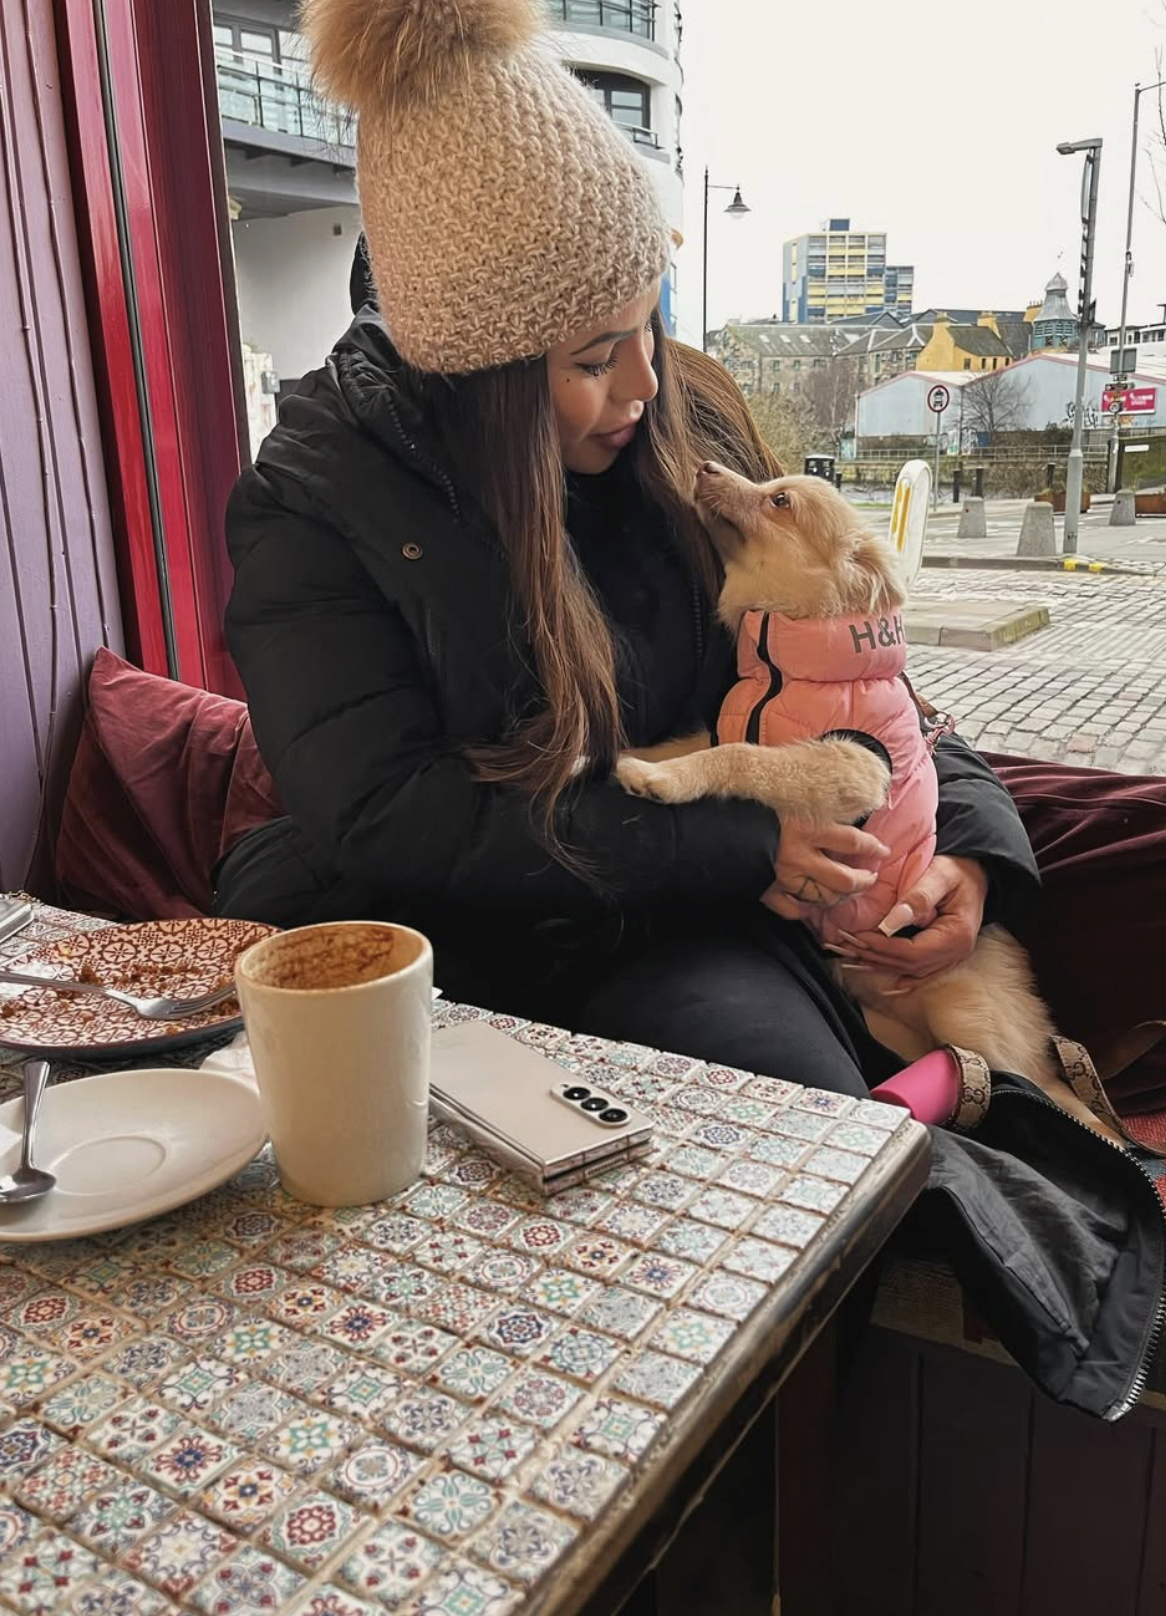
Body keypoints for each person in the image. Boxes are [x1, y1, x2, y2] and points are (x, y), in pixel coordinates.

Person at [213, 0, 1043, 1101]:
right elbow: (388, 817)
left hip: (690, 922)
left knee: (798, 1129)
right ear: (483, 377)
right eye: (595, 356)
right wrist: (746, 842)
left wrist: (971, 854)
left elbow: (852, 671)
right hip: (444, 930)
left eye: (645, 323)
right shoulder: (313, 498)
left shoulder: (684, 421)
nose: (644, 382)